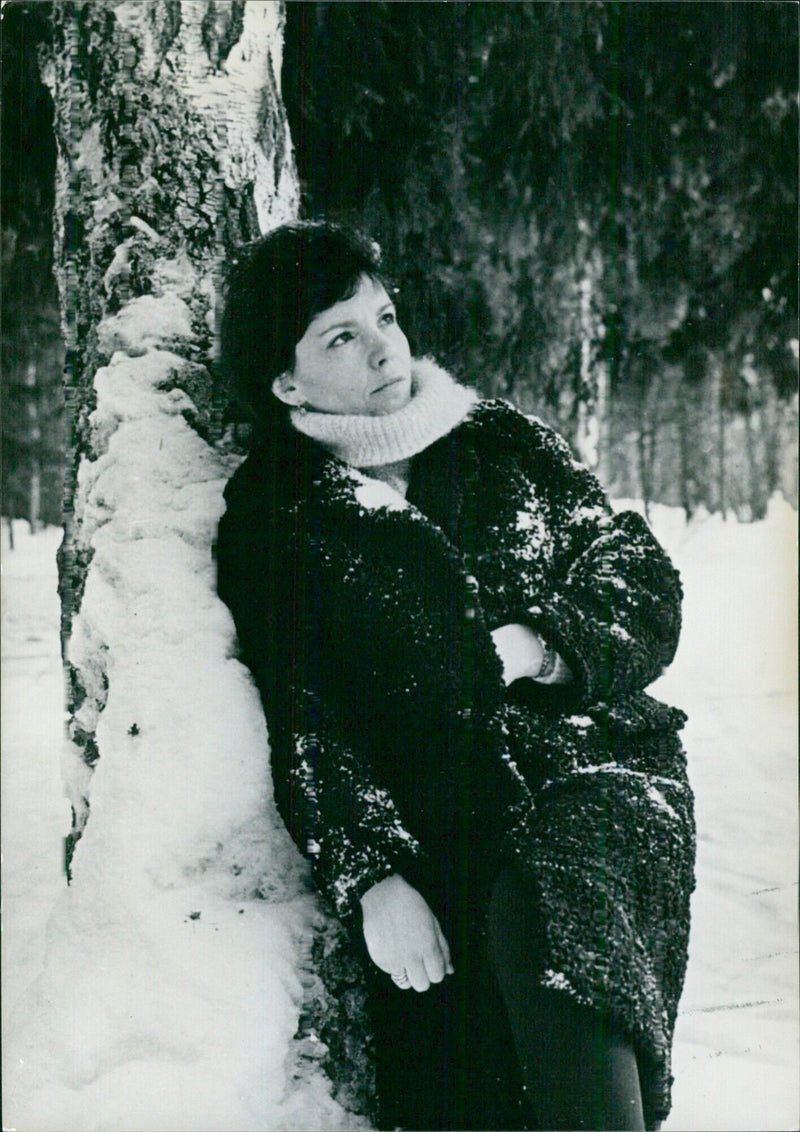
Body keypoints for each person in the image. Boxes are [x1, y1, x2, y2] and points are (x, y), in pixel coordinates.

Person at [215, 221, 695, 1132]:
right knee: (457, 1091)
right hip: (445, 829)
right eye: (340, 338)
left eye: (383, 317)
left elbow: (638, 582)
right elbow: (304, 718)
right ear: (287, 381)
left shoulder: (502, 443)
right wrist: (375, 877)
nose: (383, 348)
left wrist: (538, 645)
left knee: (553, 922)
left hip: (599, 781)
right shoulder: (277, 516)